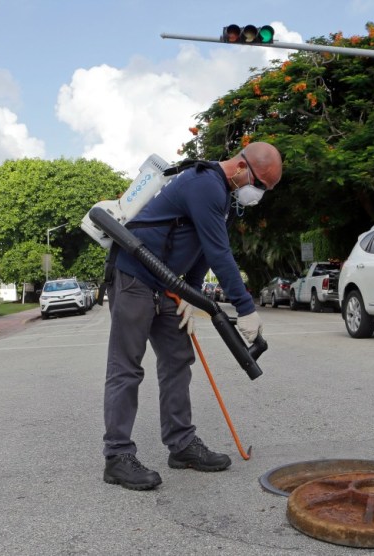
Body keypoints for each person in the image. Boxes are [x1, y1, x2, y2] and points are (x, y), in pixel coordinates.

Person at [102, 141, 283, 490]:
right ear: (242, 167)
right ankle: (117, 456)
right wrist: (245, 309)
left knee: (177, 360)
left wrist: (192, 293)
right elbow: (219, 252)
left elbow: (201, 248)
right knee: (126, 367)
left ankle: (181, 445)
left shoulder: (224, 200)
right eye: (260, 185)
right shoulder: (204, 184)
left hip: (167, 287)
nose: (259, 194)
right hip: (135, 277)